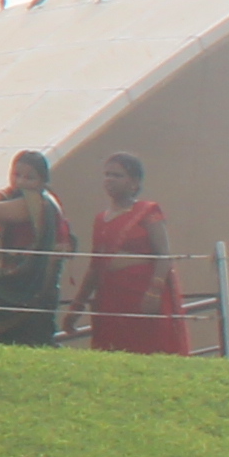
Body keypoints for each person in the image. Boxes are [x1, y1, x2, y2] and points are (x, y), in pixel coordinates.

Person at [85, 149, 191, 353]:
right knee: (113, 350)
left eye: (117, 175)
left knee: (146, 347)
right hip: (110, 295)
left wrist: (154, 292)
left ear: (134, 182)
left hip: (142, 294)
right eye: (107, 174)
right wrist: (78, 304)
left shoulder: (148, 212)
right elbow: (95, 264)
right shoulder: (101, 219)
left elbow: (163, 255)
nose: (110, 179)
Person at [0, 150, 76, 348]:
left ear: (42, 181)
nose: (20, 182)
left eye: (29, 177)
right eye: (16, 175)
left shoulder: (34, 202)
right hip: (30, 282)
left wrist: (2, 193)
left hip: (27, 285)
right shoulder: (44, 200)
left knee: (31, 337)